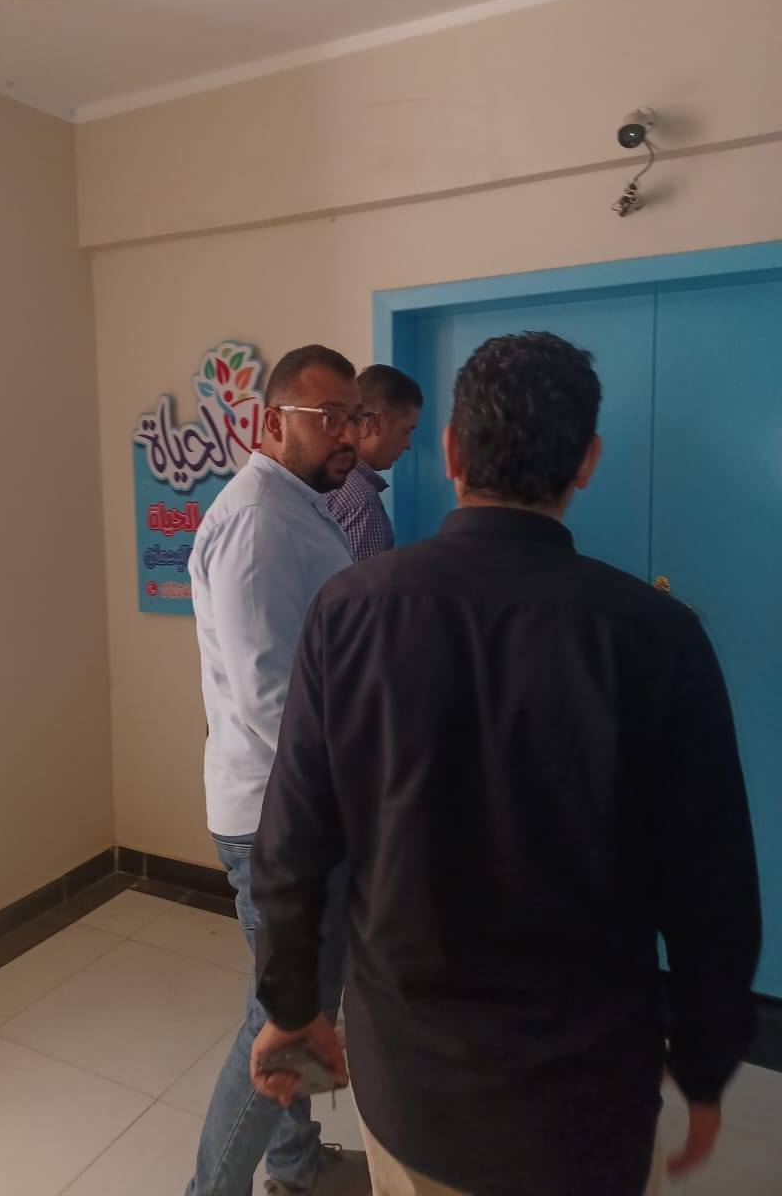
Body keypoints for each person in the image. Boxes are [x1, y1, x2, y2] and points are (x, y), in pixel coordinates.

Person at [249, 331, 761, 1196]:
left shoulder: (350, 612)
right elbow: (714, 891)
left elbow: (293, 845)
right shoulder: (659, 639)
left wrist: (292, 1009)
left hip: (409, 1081)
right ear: (587, 461)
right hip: (587, 1099)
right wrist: (706, 1066)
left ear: (451, 452)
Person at [186, 344, 374, 1196]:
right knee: (285, 1017)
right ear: (272, 422)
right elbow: (270, 698)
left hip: (288, 804)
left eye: (353, 418)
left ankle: (295, 1165)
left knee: (291, 1002)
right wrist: (345, 801)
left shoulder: (297, 506)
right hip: (278, 816)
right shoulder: (260, 521)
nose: (348, 435)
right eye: (327, 417)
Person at [326, 365, 423, 561]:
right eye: (405, 431)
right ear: (375, 422)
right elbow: (363, 581)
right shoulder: (360, 501)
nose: (408, 445)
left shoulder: (322, 478)